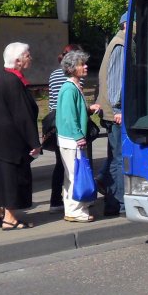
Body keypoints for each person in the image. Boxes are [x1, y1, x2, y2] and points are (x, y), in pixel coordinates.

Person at [0, 42, 41, 230]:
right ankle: (10, 218)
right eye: (27, 55)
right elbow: (22, 115)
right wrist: (34, 142)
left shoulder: (2, 77)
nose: (30, 57)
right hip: (10, 142)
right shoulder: (13, 81)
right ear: (18, 61)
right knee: (13, 178)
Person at [47, 43, 99, 212]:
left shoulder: (72, 86)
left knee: (70, 174)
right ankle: (76, 210)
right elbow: (69, 116)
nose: (85, 66)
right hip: (71, 139)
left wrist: (88, 109)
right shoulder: (70, 88)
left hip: (68, 137)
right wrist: (79, 136)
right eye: (81, 64)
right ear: (71, 68)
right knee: (75, 175)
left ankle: (72, 208)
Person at [95, 11, 126, 216]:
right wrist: (117, 109)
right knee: (118, 158)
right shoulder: (120, 45)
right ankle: (117, 204)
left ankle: (112, 198)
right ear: (126, 24)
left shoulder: (117, 43)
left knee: (115, 157)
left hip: (110, 111)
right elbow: (115, 81)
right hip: (115, 114)